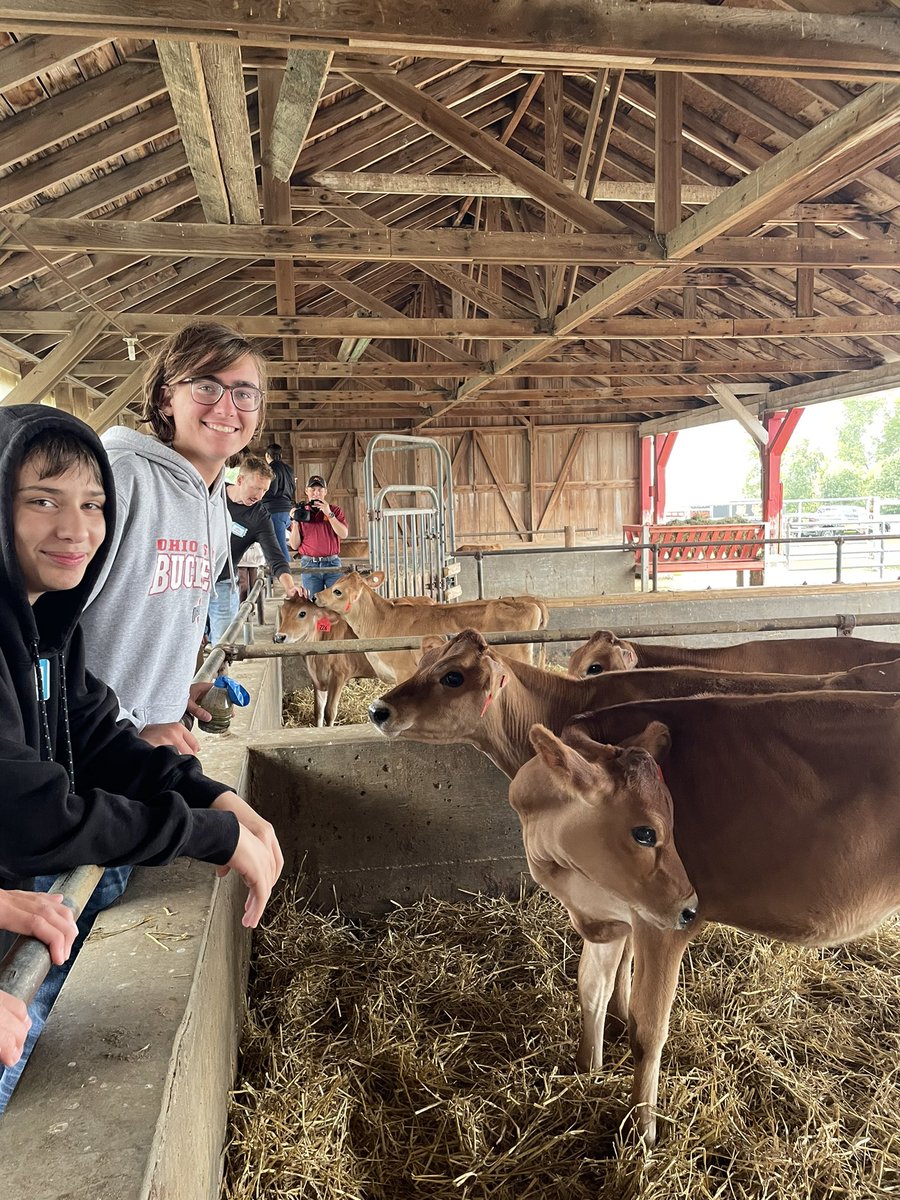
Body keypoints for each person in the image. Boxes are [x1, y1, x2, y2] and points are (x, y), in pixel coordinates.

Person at [0, 404, 282, 1108]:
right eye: (43, 501)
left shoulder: (44, 627)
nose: (76, 529)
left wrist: (210, 796)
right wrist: (204, 835)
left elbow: (96, 737)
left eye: (93, 505)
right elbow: (34, 816)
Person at [80, 320, 267, 755]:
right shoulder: (118, 479)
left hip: (150, 743)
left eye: (244, 393)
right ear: (166, 398)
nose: (227, 408)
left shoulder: (214, 498)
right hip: (93, 750)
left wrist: (172, 688)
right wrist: (122, 724)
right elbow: (41, 635)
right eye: (206, 386)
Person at [207, 454, 300, 643]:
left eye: (264, 490)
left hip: (224, 582)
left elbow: (275, 556)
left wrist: (290, 587)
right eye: (255, 488)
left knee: (223, 643)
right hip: (192, 581)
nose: (259, 496)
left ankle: (221, 673)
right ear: (240, 480)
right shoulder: (212, 493)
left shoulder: (259, 516)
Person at [288, 474, 349, 598]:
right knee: (313, 603)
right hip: (309, 564)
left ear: (325, 492)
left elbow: (344, 534)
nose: (316, 493)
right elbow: (294, 545)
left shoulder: (335, 510)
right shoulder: (301, 512)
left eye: (320, 490)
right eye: (313, 489)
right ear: (307, 491)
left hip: (332, 563)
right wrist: (295, 521)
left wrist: (329, 513)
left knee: (336, 602)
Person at [259, 441, 296, 566]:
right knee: (280, 543)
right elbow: (293, 489)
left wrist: (260, 498)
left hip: (275, 511)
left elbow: (272, 490)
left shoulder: (271, 469)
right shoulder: (289, 470)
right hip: (287, 511)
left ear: (267, 455)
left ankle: (285, 573)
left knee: (278, 545)